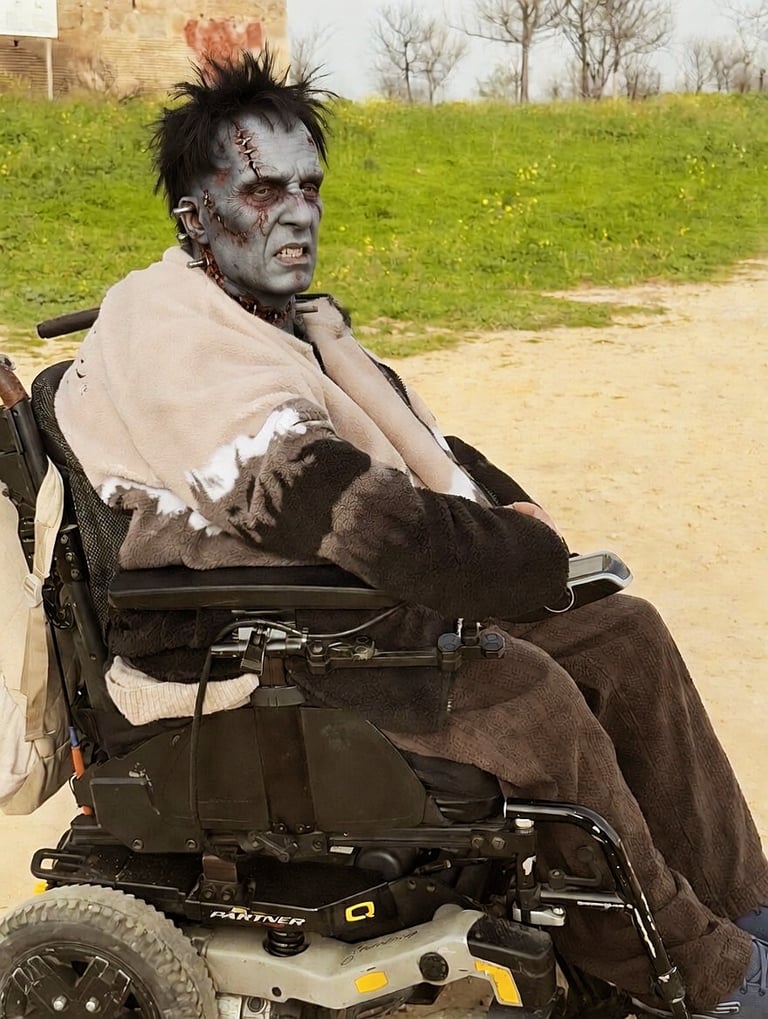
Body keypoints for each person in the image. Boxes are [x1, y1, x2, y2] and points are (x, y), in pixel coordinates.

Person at [53, 49, 768, 1016]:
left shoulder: (281, 318)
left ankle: (741, 914)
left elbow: (411, 447)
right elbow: (341, 507)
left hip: (337, 610)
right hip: (244, 641)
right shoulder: (175, 333)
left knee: (624, 636)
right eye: (263, 190)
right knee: (528, 700)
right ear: (195, 214)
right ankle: (697, 978)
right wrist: (516, 558)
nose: (297, 213)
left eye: (308, 186)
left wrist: (511, 521)